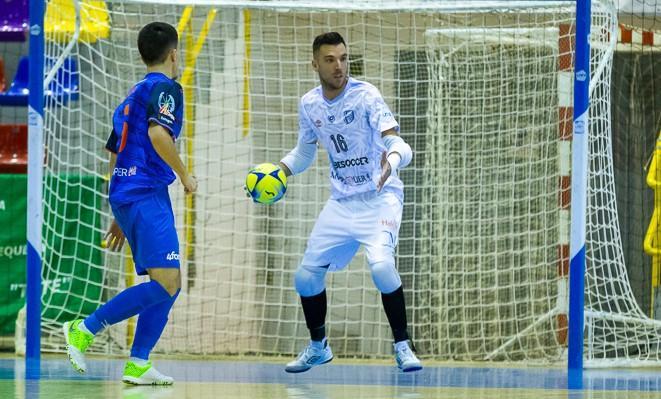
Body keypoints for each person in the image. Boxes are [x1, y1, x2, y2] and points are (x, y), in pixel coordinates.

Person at [277, 32, 421, 373]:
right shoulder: (309, 104)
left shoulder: (366, 95)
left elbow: (397, 141)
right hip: (342, 202)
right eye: (330, 60)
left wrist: (393, 160)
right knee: (305, 277)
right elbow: (304, 152)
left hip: (380, 197)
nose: (339, 66)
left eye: (343, 58)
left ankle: (403, 346)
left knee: (382, 267)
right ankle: (318, 346)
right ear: (315, 64)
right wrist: (279, 169)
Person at [63, 21, 197, 385]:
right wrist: (185, 175)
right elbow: (158, 134)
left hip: (132, 192)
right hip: (144, 193)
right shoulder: (166, 88)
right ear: (173, 54)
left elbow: (114, 150)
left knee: (171, 283)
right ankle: (85, 328)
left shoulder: (131, 95)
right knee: (166, 282)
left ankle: (138, 362)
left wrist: (119, 207)